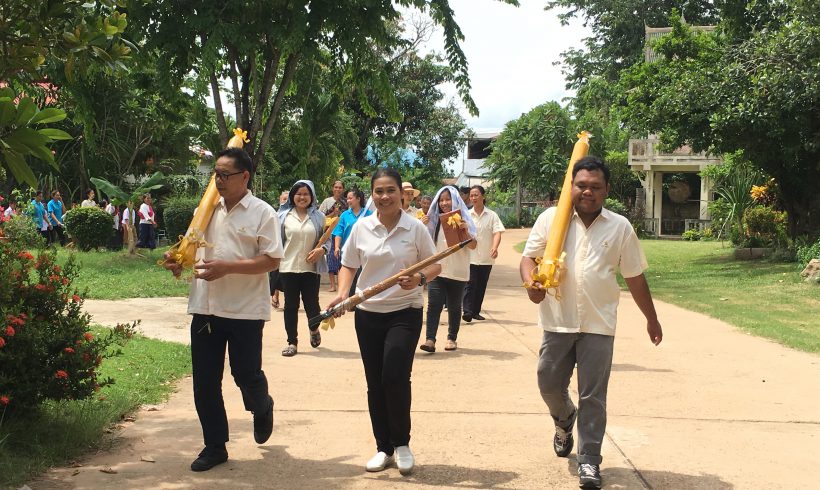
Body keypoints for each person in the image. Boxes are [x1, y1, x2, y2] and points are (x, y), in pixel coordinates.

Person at [519, 156, 663, 489]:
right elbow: (529, 257)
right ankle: (564, 418)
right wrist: (531, 283)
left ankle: (589, 461)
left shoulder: (620, 226)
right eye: (581, 185)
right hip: (557, 320)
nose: (588, 192)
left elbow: (634, 276)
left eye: (595, 187)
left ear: (606, 190)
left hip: (599, 324)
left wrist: (651, 318)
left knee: (593, 396)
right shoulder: (552, 220)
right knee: (548, 382)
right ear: (571, 186)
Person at [162, 147, 283, 472]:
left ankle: (262, 405)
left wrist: (228, 267)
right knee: (204, 381)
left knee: (245, 373)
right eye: (215, 174)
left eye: (225, 174)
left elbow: (272, 260)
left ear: (245, 176)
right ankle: (215, 446)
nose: (218, 180)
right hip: (205, 306)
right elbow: (189, 250)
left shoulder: (262, 212)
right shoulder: (206, 211)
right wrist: (178, 262)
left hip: (244, 310)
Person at [326, 168, 441, 476]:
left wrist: (417, 278)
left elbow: (434, 266)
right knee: (374, 381)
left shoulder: (415, 228)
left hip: (405, 311)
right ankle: (384, 448)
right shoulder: (362, 227)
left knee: (394, 376)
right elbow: (349, 264)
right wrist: (342, 294)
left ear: (401, 194)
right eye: (379, 191)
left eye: (390, 190)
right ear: (372, 194)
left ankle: (402, 444)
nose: (385, 196)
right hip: (368, 313)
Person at [419, 186, 476, 353]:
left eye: (447, 199)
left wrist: (465, 230)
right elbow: (424, 243)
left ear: (456, 200)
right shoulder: (434, 222)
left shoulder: (464, 220)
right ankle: (430, 339)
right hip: (438, 269)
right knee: (434, 304)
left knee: (454, 305)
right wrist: (422, 225)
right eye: (441, 200)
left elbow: (473, 245)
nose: (444, 203)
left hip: (458, 271)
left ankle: (452, 338)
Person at [277, 180, 329, 357]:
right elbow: (276, 241)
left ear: (312, 196)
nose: (302, 197)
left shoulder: (319, 217)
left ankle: (314, 330)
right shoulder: (282, 217)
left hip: (310, 269)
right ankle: (292, 342)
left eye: (306, 194)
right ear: (292, 196)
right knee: (290, 306)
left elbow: (327, 239)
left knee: (312, 305)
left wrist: (322, 250)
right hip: (287, 267)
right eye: (298, 193)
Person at [462, 185, 505, 322]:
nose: (473, 198)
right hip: (470, 256)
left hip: (486, 258)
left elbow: (497, 232)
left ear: (483, 196)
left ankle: (475, 312)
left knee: (481, 285)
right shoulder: (466, 215)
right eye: (471, 195)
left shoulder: (492, 215)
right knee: (470, 284)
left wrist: (495, 247)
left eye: (476, 195)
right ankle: (467, 311)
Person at [331, 187, 371, 296]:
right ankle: (349, 302)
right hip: (348, 251)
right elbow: (338, 232)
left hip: (364, 251)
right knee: (349, 278)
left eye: (350, 198)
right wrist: (337, 247)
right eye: (347, 198)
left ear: (358, 199)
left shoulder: (369, 214)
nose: (348, 201)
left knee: (363, 277)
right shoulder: (344, 215)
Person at [319, 180, 346, 292]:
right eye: (336, 187)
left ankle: (341, 284)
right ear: (332, 188)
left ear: (343, 189)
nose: (338, 189)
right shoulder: (327, 201)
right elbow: (320, 216)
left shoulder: (345, 202)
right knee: (331, 258)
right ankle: (332, 285)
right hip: (330, 233)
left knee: (342, 259)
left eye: (340, 187)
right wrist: (333, 213)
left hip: (342, 233)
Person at [269, 190, 290, 310]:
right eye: (284, 199)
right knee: (276, 275)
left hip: (288, 250)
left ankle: (289, 300)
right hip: (276, 249)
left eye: (288, 199)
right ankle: (275, 296)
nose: (285, 201)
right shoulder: (274, 215)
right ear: (279, 200)